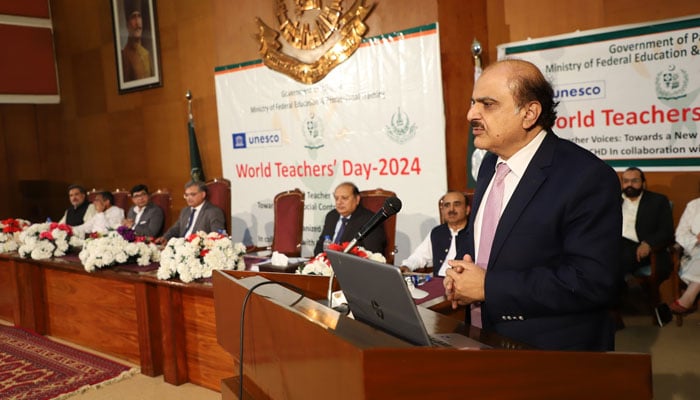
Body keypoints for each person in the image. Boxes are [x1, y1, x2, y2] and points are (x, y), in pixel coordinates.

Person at [444, 59, 621, 351]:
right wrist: (463, 277)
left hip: (550, 354)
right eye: (473, 102)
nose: (470, 114)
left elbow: (592, 282)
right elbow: (492, 241)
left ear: (529, 113)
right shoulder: (490, 164)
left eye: (487, 104)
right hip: (481, 337)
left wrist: (489, 287)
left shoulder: (587, 177)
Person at [619, 167, 674, 280]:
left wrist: (648, 243)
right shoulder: (614, 200)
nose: (630, 184)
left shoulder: (657, 201)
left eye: (634, 181)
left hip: (641, 248)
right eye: (626, 181)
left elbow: (666, 230)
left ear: (643, 183)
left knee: (613, 262)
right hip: (615, 245)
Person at [399, 191, 470, 277]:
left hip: (463, 283)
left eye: (457, 204)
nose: (451, 209)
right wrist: (407, 266)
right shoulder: (437, 232)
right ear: (443, 211)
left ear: (467, 209)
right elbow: (419, 256)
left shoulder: (474, 233)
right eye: (447, 205)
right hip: (438, 281)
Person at [313, 182, 386, 256]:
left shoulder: (370, 220)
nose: (339, 202)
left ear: (357, 199)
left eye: (344, 198)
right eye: (336, 198)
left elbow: (372, 253)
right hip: (326, 264)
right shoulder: (331, 216)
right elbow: (319, 247)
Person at [661, 197, 700, 315]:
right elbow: (680, 234)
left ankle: (687, 299)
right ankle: (689, 298)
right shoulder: (694, 205)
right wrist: (696, 239)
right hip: (694, 253)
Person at [157, 181, 225, 243]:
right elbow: (176, 228)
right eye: (186, 195)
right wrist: (165, 237)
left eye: (192, 195)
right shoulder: (185, 210)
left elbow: (217, 236)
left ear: (203, 194)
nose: (188, 198)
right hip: (181, 246)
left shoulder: (213, 212)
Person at [121, 0, 153, 81]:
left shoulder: (146, 54)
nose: (138, 23)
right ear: (128, 25)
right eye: (133, 17)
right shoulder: (124, 55)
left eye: (139, 16)